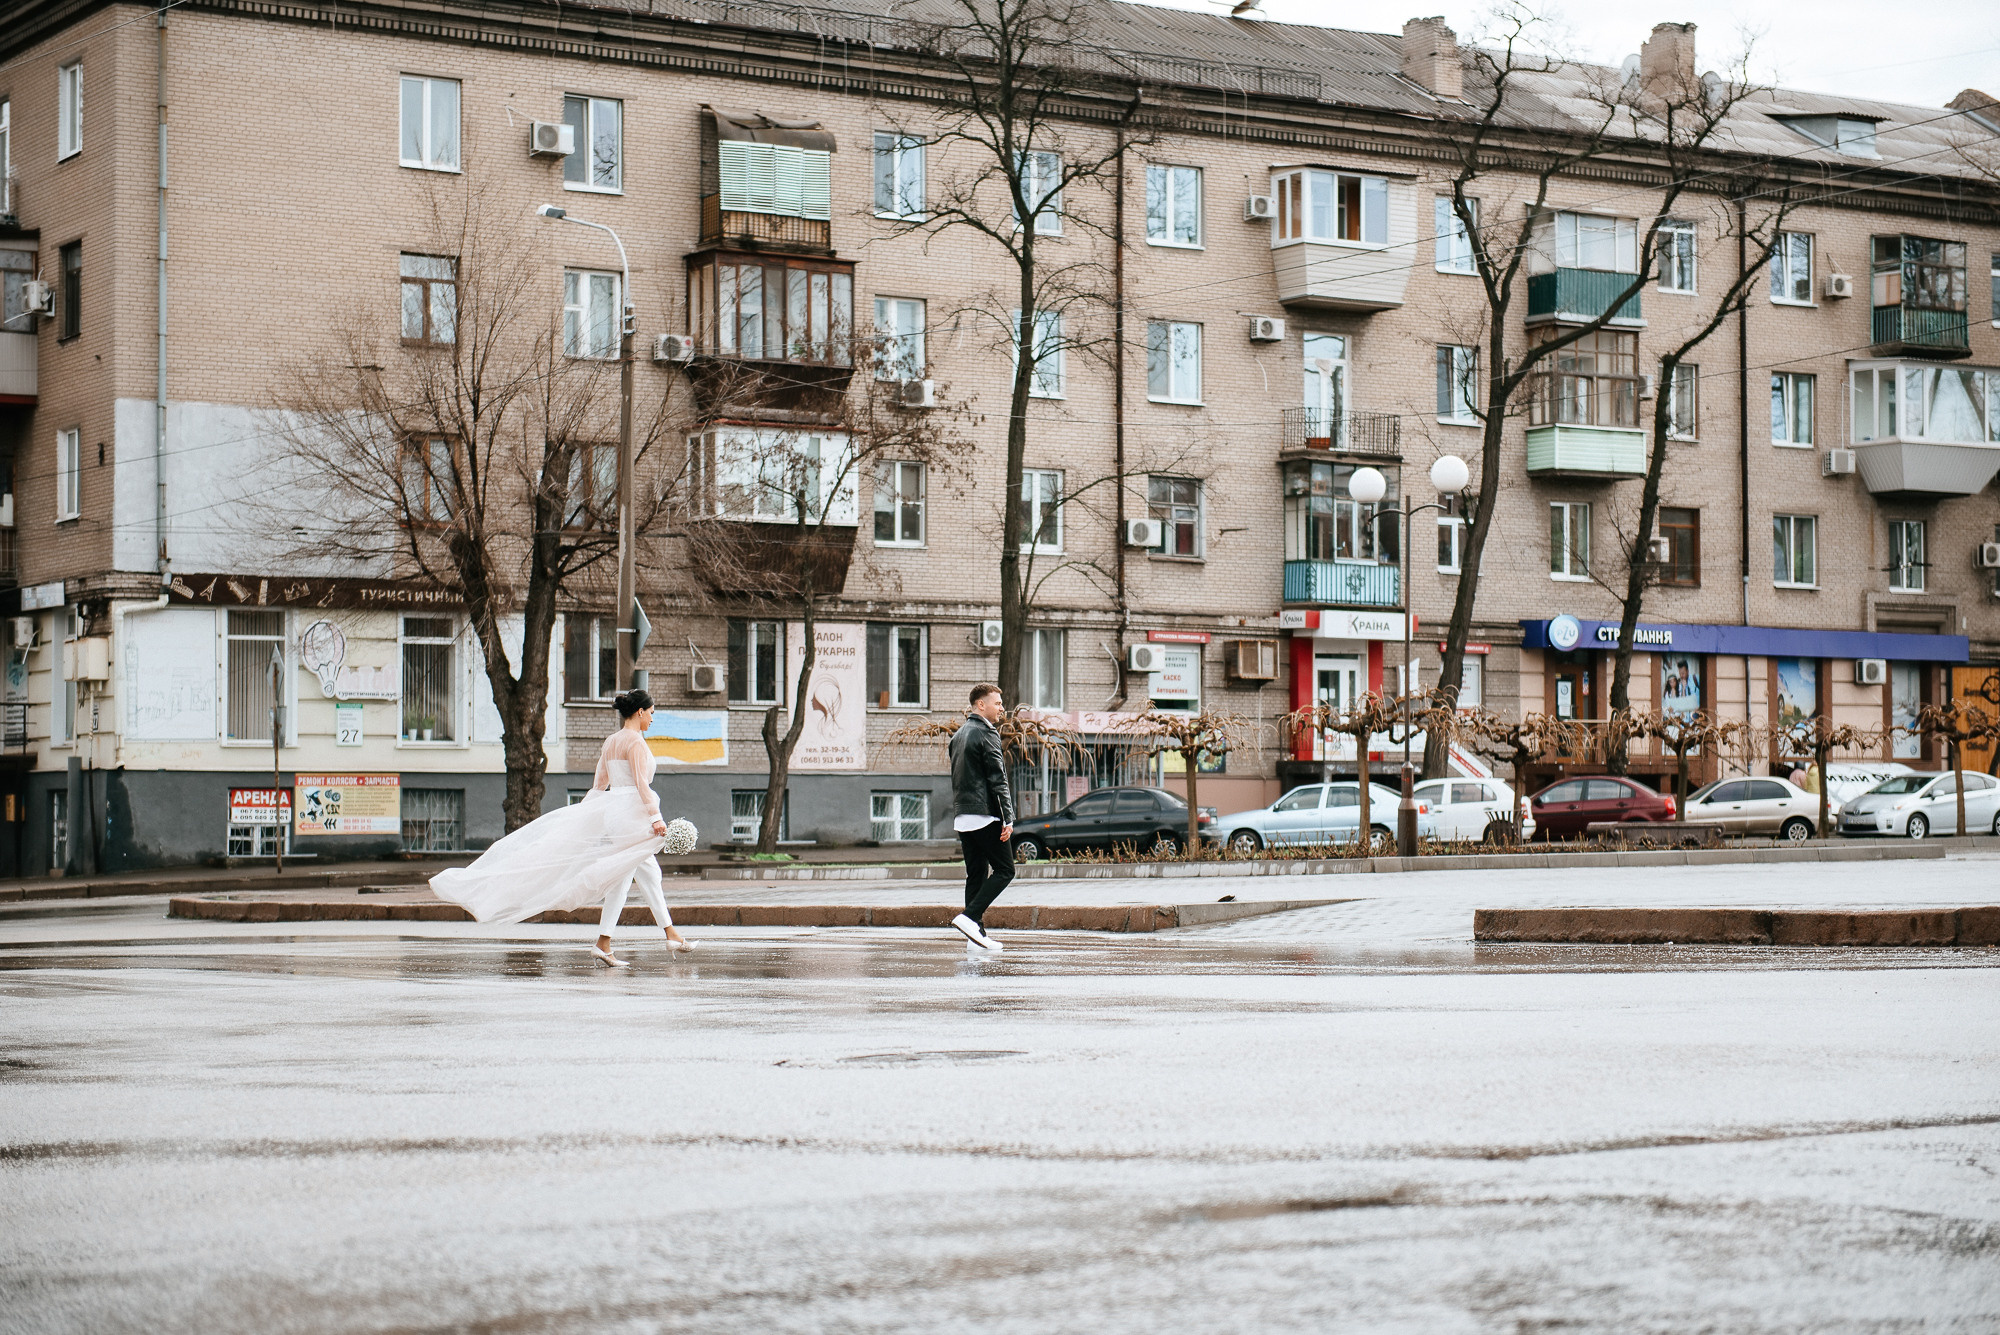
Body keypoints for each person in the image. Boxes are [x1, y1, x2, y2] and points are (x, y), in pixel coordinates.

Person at [431, 688, 694, 966]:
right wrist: (655, 817)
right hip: (633, 814)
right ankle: (657, 937)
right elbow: (642, 784)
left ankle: (630, 940)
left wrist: (587, 814)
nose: (652, 719)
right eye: (651, 713)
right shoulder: (636, 743)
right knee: (633, 875)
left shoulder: (611, 742)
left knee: (637, 875)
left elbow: (599, 783)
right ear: (640, 712)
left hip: (615, 814)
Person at [948, 683, 1014, 952]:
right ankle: (969, 917)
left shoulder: (958, 735)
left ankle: (975, 938)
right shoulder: (987, 733)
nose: (1001, 708)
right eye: (997, 703)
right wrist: (1007, 817)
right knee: (1005, 870)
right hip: (986, 815)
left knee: (975, 874)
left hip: (963, 816)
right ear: (980, 705)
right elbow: (998, 779)